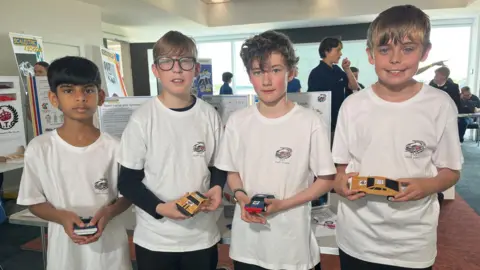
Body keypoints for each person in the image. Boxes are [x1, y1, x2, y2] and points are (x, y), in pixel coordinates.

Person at [332, 5, 463, 270]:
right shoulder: (352, 105)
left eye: (407, 49)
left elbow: (450, 171)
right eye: (384, 50)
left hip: (411, 243)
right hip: (356, 238)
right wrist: (340, 183)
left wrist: (426, 186)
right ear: (370, 55)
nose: (395, 59)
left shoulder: (439, 104)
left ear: (425, 52)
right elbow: (340, 168)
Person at [215, 30, 336, 270]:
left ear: (291, 72)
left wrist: (283, 204)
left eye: (276, 70)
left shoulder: (310, 122)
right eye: (258, 72)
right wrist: (241, 197)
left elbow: (325, 180)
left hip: (293, 247)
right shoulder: (238, 121)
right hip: (247, 246)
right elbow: (232, 171)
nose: (267, 80)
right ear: (250, 76)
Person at [117, 31, 226, 270]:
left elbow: (218, 165)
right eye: (167, 62)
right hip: (156, 239)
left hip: (201, 236)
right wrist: (160, 208)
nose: (177, 69)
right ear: (156, 70)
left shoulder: (209, 115)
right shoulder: (142, 119)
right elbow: (127, 181)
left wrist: (217, 187)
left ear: (196, 69)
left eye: (185, 61)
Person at [16, 56, 132, 270]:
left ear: (101, 96)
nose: (80, 98)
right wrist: (61, 216)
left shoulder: (117, 147)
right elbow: (33, 200)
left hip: (110, 251)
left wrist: (108, 213)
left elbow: (127, 196)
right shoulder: (40, 148)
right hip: (65, 253)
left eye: (88, 90)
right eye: (69, 90)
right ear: (53, 98)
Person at [307, 37, 359, 133]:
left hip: (339, 122)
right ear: (327, 51)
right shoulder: (316, 73)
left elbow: (354, 87)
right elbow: (313, 103)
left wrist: (347, 69)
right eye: (338, 50)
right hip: (324, 125)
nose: (341, 54)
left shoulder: (337, 70)